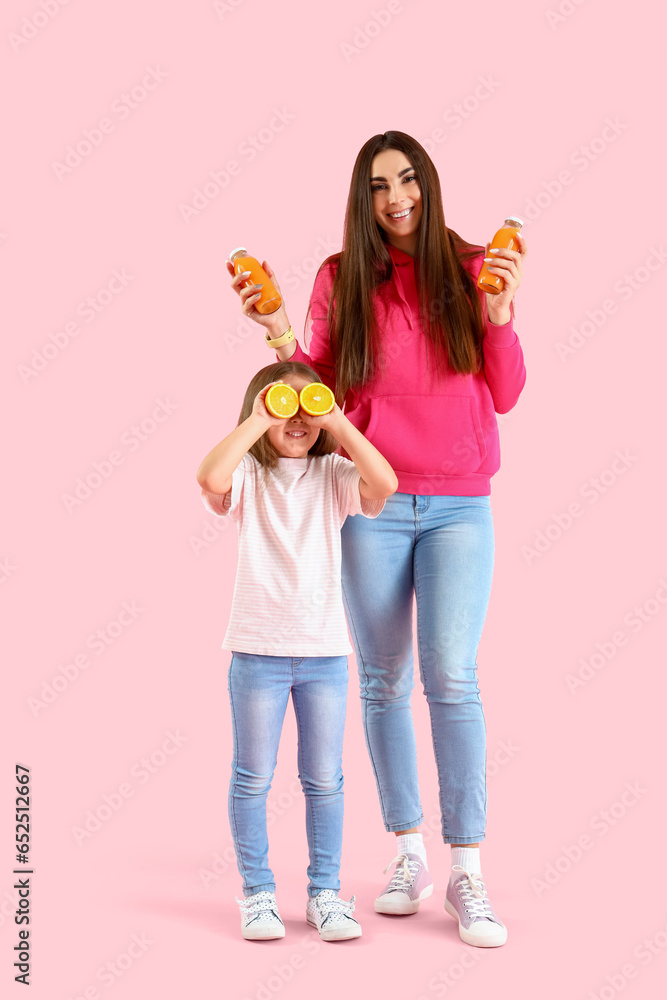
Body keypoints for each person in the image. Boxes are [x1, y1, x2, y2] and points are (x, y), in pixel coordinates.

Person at [226, 130, 527, 947]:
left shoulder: (470, 269)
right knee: (383, 682)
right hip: (370, 502)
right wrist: (282, 335)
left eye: (407, 181)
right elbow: (317, 394)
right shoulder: (341, 277)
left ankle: (467, 871)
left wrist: (498, 317)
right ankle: (407, 855)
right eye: (377, 187)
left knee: (452, 679)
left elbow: (504, 393)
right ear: (361, 200)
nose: (395, 199)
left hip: (461, 503)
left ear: (428, 184)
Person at [196, 360, 397, 942]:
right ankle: (258, 895)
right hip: (257, 650)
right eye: (286, 406)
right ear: (260, 410)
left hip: (324, 653)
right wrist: (259, 420)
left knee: (325, 780)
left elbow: (383, 482)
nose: (297, 417)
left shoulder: (334, 474)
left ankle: (324, 895)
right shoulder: (249, 480)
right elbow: (209, 478)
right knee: (252, 777)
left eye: (308, 407)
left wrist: (336, 420)